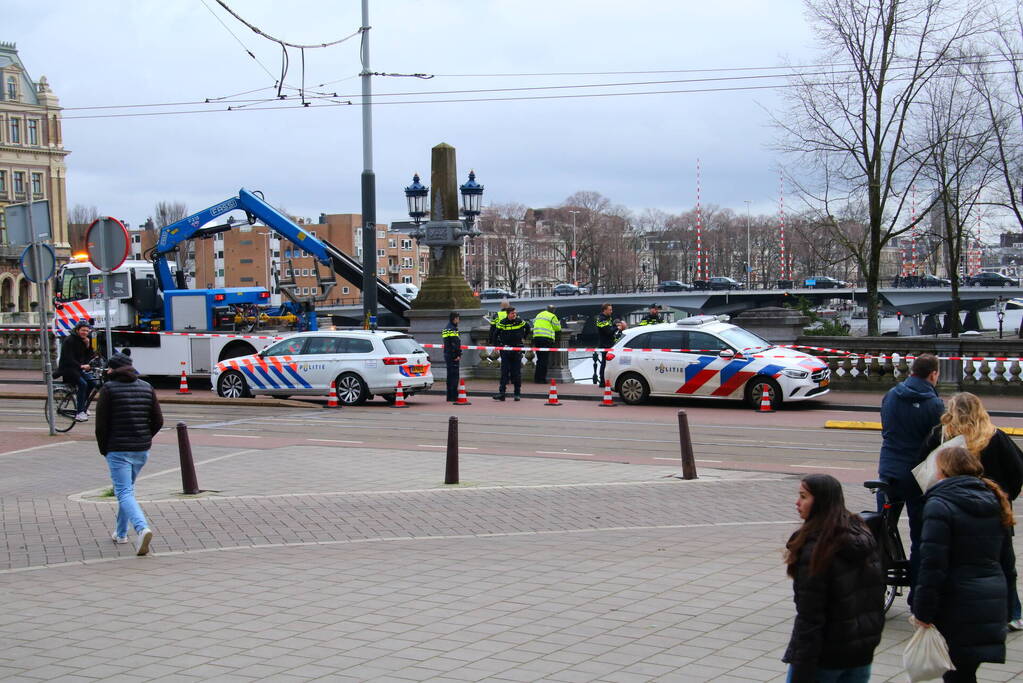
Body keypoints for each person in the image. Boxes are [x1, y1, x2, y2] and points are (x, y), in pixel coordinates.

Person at [912, 446, 1017, 682]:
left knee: (957, 673)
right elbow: (1007, 563)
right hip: (990, 600)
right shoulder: (994, 499)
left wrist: (923, 611)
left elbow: (932, 566)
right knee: (965, 672)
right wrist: (1009, 606)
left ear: (943, 472)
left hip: (956, 603)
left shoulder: (939, 504)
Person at [920, 392, 1023, 630]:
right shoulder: (995, 437)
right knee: (1003, 562)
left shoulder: (941, 435)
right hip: (992, 507)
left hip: (951, 506)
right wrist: (1006, 495)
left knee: (954, 560)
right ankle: (1012, 612)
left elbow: (921, 466)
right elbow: (1017, 469)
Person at [782, 474, 884, 683]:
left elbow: (810, 616)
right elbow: (874, 598)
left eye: (803, 496)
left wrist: (802, 665)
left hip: (825, 658)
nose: (797, 502)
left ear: (821, 502)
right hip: (860, 654)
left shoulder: (816, 549)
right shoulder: (862, 535)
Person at [878, 353, 943, 585]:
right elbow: (938, 442)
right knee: (921, 535)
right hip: (918, 476)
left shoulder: (891, 396)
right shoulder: (935, 405)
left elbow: (886, 429)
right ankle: (917, 592)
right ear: (933, 374)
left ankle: (879, 576)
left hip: (889, 471)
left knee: (882, 528)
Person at [95, 353, 164, 556]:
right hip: (141, 449)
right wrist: (145, 437)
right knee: (127, 491)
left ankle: (142, 529)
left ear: (112, 369)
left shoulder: (108, 389)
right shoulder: (146, 387)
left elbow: (101, 425)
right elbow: (158, 420)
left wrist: (104, 449)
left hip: (117, 450)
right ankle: (121, 533)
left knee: (123, 492)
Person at [57, 320, 97, 422]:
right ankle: (79, 412)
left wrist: (88, 346)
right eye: (83, 330)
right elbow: (68, 358)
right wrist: (81, 366)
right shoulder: (69, 340)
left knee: (93, 382)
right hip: (68, 369)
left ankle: (83, 406)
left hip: (78, 369)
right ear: (78, 330)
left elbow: (89, 355)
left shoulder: (84, 340)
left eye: (87, 331)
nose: (85, 333)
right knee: (83, 384)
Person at [491, 307, 530, 401]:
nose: (514, 315)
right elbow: (495, 334)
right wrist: (496, 345)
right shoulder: (502, 323)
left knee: (516, 373)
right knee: (504, 372)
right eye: (512, 313)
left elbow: (528, 328)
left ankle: (517, 394)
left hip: (517, 349)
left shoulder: (519, 321)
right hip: (505, 349)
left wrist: (524, 336)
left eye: (515, 313)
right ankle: (502, 393)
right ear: (508, 314)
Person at [532, 305, 561, 384]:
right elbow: (557, 328)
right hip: (546, 339)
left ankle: (536, 378)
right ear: (553, 311)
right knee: (544, 360)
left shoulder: (539, 314)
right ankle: (542, 379)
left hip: (537, 338)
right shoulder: (552, 316)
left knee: (539, 359)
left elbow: (534, 323)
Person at [442, 312, 462, 402]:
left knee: (449, 376)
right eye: (458, 318)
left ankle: (449, 396)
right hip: (452, 355)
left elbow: (447, 343)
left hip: (447, 354)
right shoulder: (453, 329)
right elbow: (455, 343)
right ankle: (454, 396)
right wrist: (457, 355)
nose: (459, 320)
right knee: (454, 376)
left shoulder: (446, 328)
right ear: (455, 319)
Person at [595, 303, 615, 385]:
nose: (611, 311)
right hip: (605, 345)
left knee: (608, 363)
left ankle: (607, 379)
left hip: (609, 344)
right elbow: (608, 331)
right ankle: (602, 381)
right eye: (610, 310)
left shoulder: (608, 318)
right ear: (605, 310)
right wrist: (617, 327)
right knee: (604, 363)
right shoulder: (601, 319)